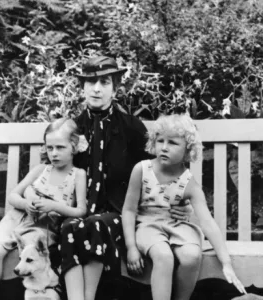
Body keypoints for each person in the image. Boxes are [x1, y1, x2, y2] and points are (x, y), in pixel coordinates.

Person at [59, 56, 194, 300]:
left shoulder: (131, 127)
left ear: (115, 87)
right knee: (70, 226)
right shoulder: (73, 128)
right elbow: (55, 171)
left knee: (96, 224)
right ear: (82, 87)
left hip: (120, 215)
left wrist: (181, 203)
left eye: (105, 82)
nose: (97, 88)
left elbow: (158, 171)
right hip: (78, 210)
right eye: (90, 82)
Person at [122, 114, 247, 300]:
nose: (164, 147)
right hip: (148, 224)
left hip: (178, 225)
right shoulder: (142, 170)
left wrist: (226, 262)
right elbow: (129, 210)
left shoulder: (189, 184)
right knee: (163, 255)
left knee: (191, 256)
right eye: (160, 141)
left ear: (188, 150)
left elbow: (207, 223)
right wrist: (131, 246)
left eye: (172, 143)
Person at [0, 118, 87, 300]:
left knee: (30, 252)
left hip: (42, 227)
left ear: (74, 147)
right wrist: (25, 203)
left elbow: (81, 211)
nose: (54, 153)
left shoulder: (78, 175)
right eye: (50, 147)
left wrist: (54, 206)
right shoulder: (40, 170)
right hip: (16, 218)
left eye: (60, 147)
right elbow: (13, 195)